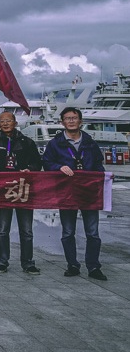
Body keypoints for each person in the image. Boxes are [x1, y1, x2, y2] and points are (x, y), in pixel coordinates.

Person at [42, 107, 107, 280]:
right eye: (67, 118)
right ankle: (72, 265)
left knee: (92, 232)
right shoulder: (55, 143)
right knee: (68, 231)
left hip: (89, 193)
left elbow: (99, 164)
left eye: (74, 118)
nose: (71, 121)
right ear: (62, 122)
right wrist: (58, 167)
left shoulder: (90, 143)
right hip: (67, 193)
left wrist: (100, 177)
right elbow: (47, 163)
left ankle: (93, 266)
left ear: (80, 121)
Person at [0, 112, 42, 274]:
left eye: (8, 121)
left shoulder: (27, 143)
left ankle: (28, 263)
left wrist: (31, 169)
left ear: (15, 122)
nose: (5, 123)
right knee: (2, 229)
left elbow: (37, 163)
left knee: (27, 230)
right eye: (2, 121)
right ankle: (2, 262)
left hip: (23, 191)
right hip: (2, 192)